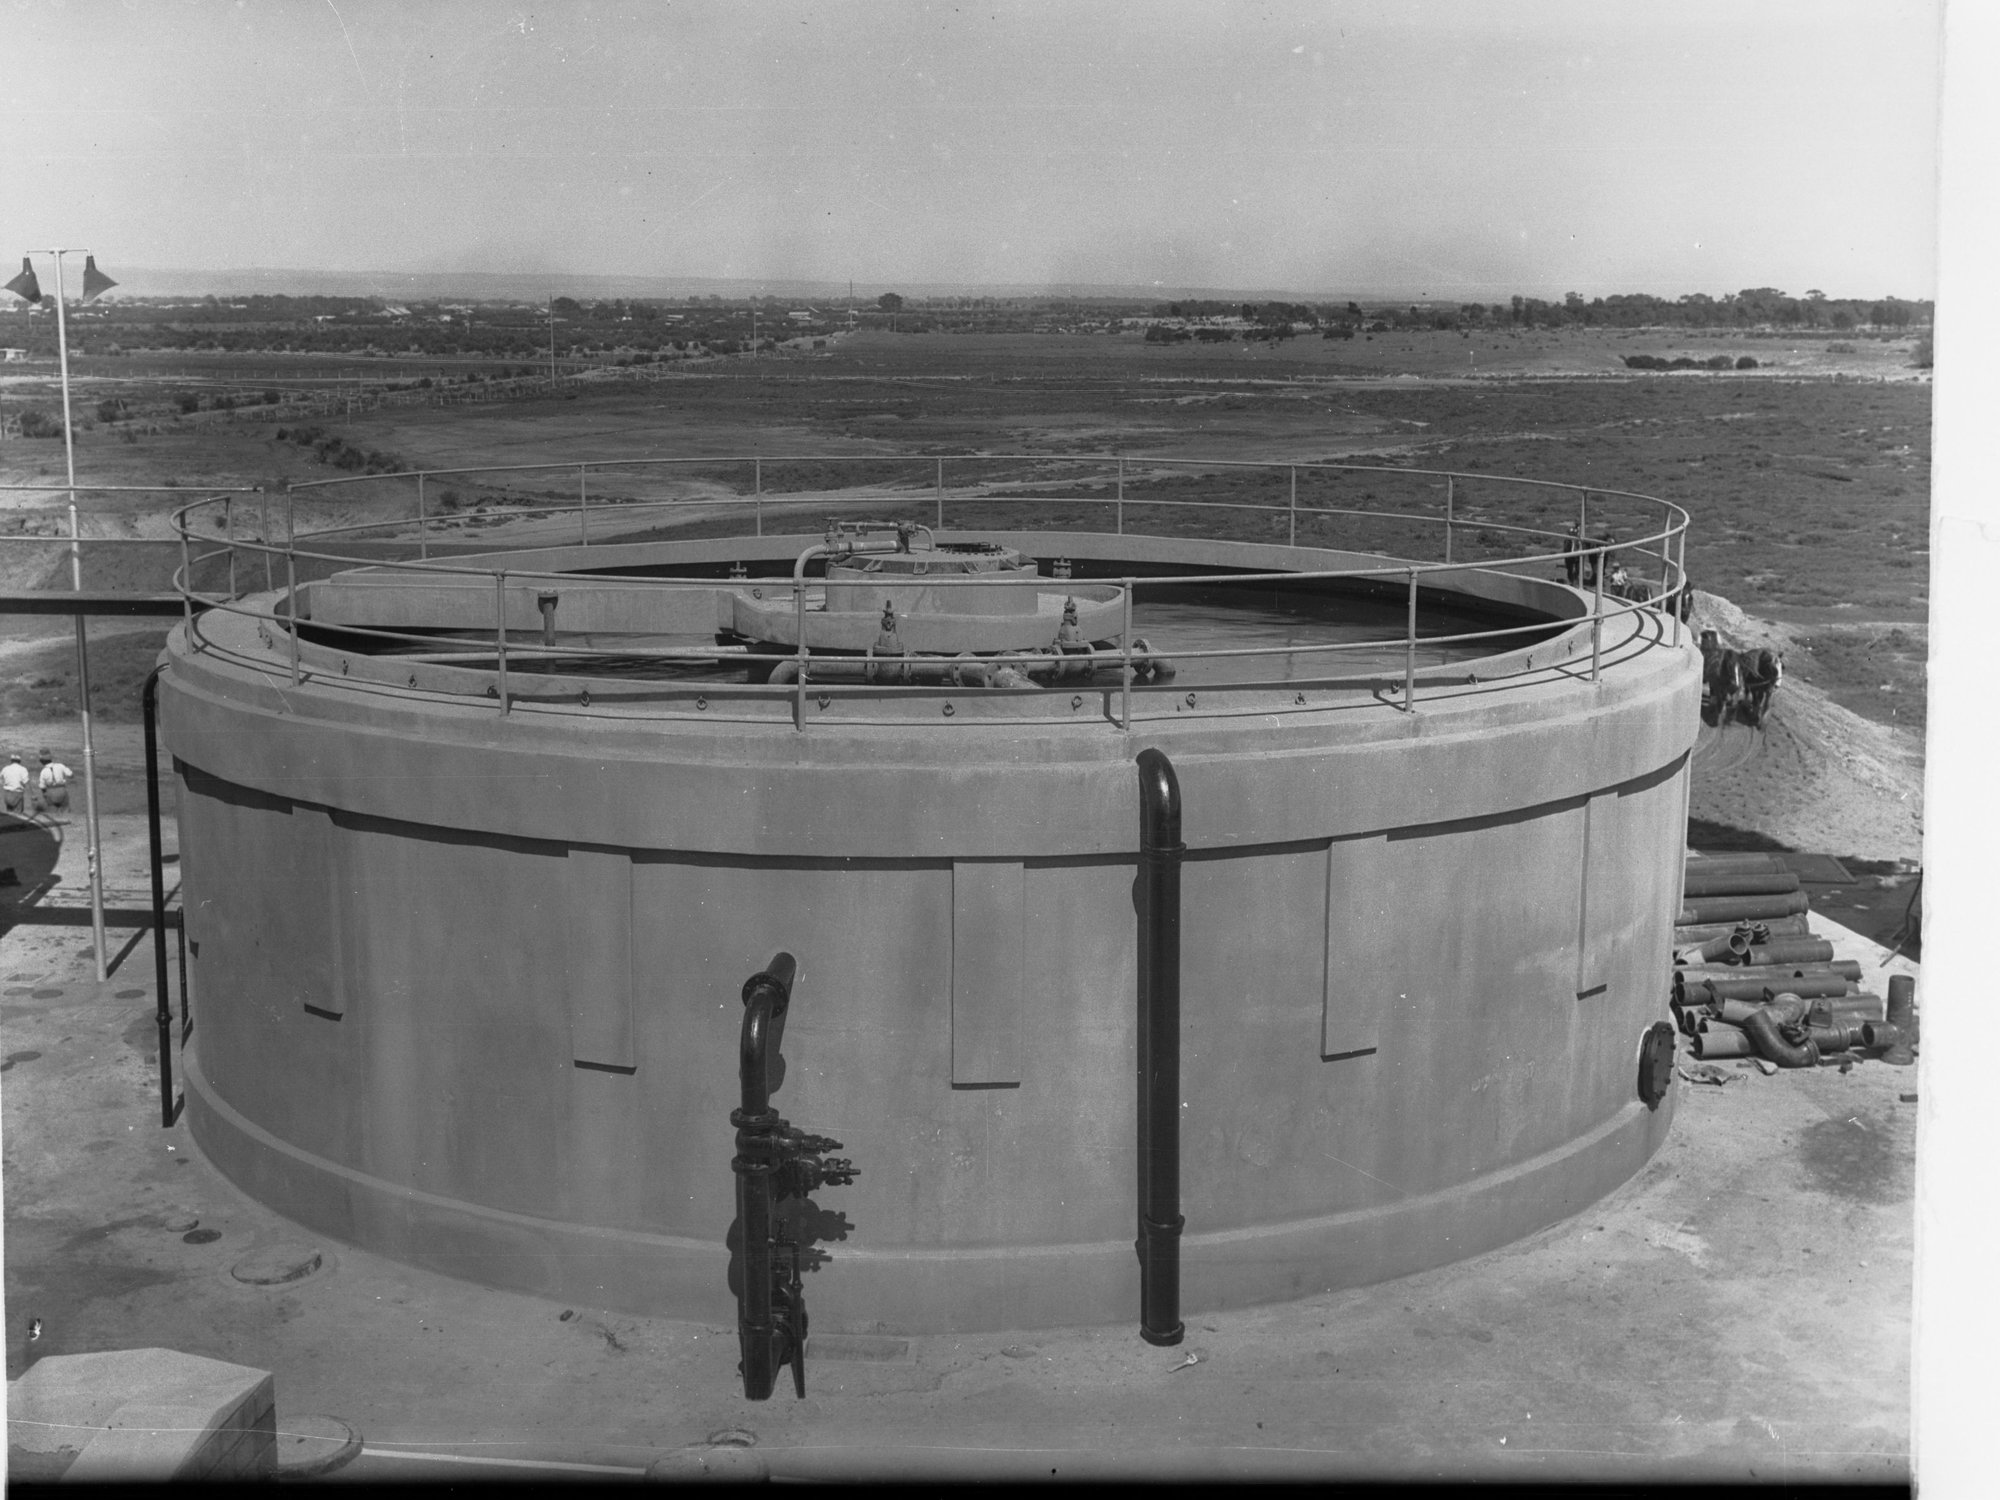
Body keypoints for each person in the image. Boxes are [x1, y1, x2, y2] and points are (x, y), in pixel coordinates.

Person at [36, 749, 72, 815]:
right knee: (65, 809)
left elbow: (42, 786)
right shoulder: (60, 766)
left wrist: (45, 795)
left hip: (50, 791)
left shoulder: (43, 771)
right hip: (61, 790)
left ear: (42, 761)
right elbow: (70, 774)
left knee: (52, 811)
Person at [1561, 522, 1581, 586]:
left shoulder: (1579, 531)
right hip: (1570, 551)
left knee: (1578, 567)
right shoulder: (1571, 531)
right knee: (1570, 567)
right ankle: (1571, 580)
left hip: (1577, 552)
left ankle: (1575, 579)